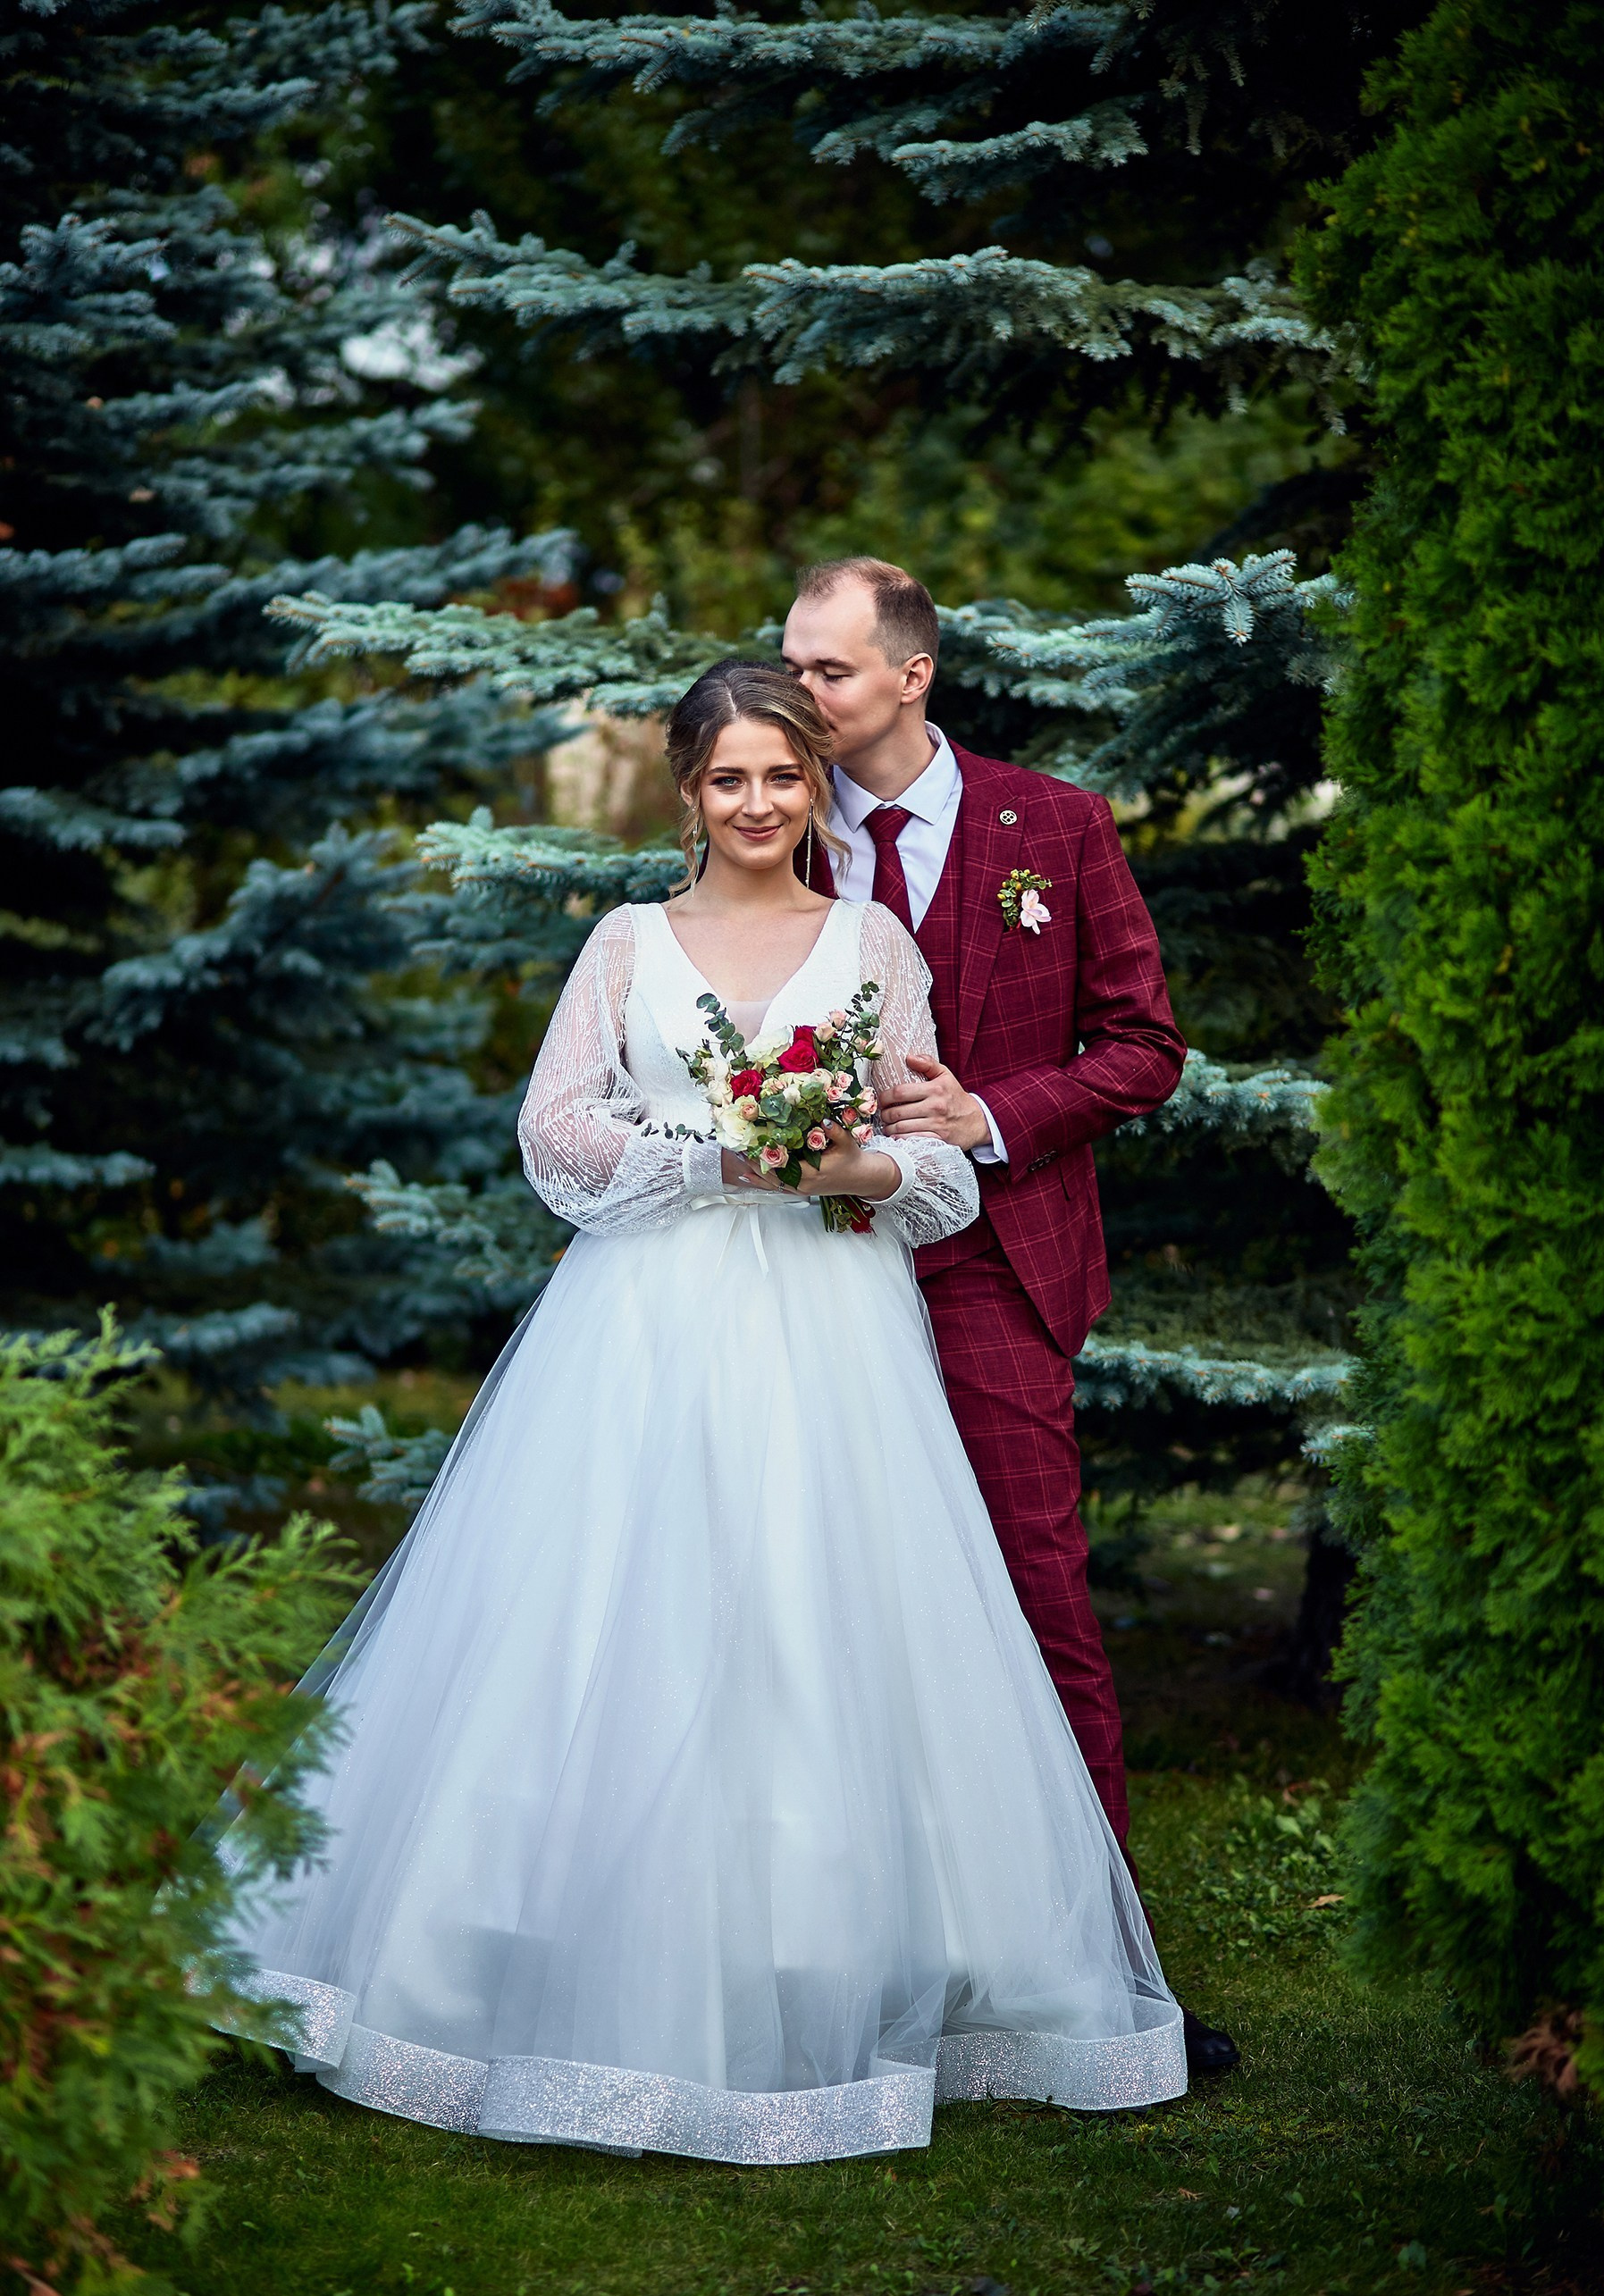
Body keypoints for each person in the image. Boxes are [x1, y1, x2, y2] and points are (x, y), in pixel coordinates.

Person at [217, 660, 1185, 2164]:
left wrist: (858, 1165)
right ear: (689, 794)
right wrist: (716, 1157)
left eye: (783, 776)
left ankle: (827, 1947)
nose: (757, 803)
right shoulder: (627, 942)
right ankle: (542, 1941)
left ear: (814, 788)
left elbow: (934, 1164)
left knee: (820, 1611)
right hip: (648, 1318)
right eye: (729, 779)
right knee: (621, 1607)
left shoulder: (871, 946)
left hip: (833, 1324)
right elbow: (555, 1129)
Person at [783, 559, 1239, 2077]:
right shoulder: (774, 823)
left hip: (994, 1263)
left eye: (831, 670)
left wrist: (989, 1115)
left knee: (1039, 1602)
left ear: (912, 674)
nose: (803, 694)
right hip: (808, 1267)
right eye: (794, 664)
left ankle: (1105, 1970)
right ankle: (838, 1954)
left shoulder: (1058, 826)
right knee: (816, 1606)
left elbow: (1143, 1047)